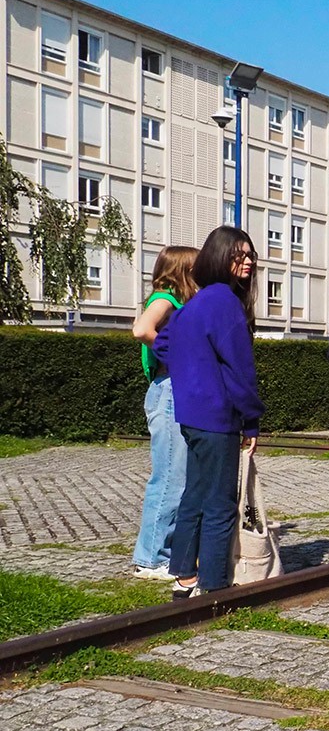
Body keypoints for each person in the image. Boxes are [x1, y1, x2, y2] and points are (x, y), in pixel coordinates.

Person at [153, 227, 264, 598]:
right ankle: (213, 585)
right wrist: (251, 420)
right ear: (219, 257)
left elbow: (162, 344)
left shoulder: (196, 302)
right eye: (238, 255)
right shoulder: (225, 303)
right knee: (219, 503)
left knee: (195, 495)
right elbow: (241, 369)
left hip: (190, 413)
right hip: (218, 416)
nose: (246, 262)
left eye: (249, 255)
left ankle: (184, 577)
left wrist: (191, 369)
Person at [130, 246, 199, 579]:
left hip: (168, 389)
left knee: (175, 475)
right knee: (171, 476)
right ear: (183, 270)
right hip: (169, 388)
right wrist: (177, 354)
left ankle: (161, 552)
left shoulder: (166, 301)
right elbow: (141, 330)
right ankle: (152, 558)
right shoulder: (165, 299)